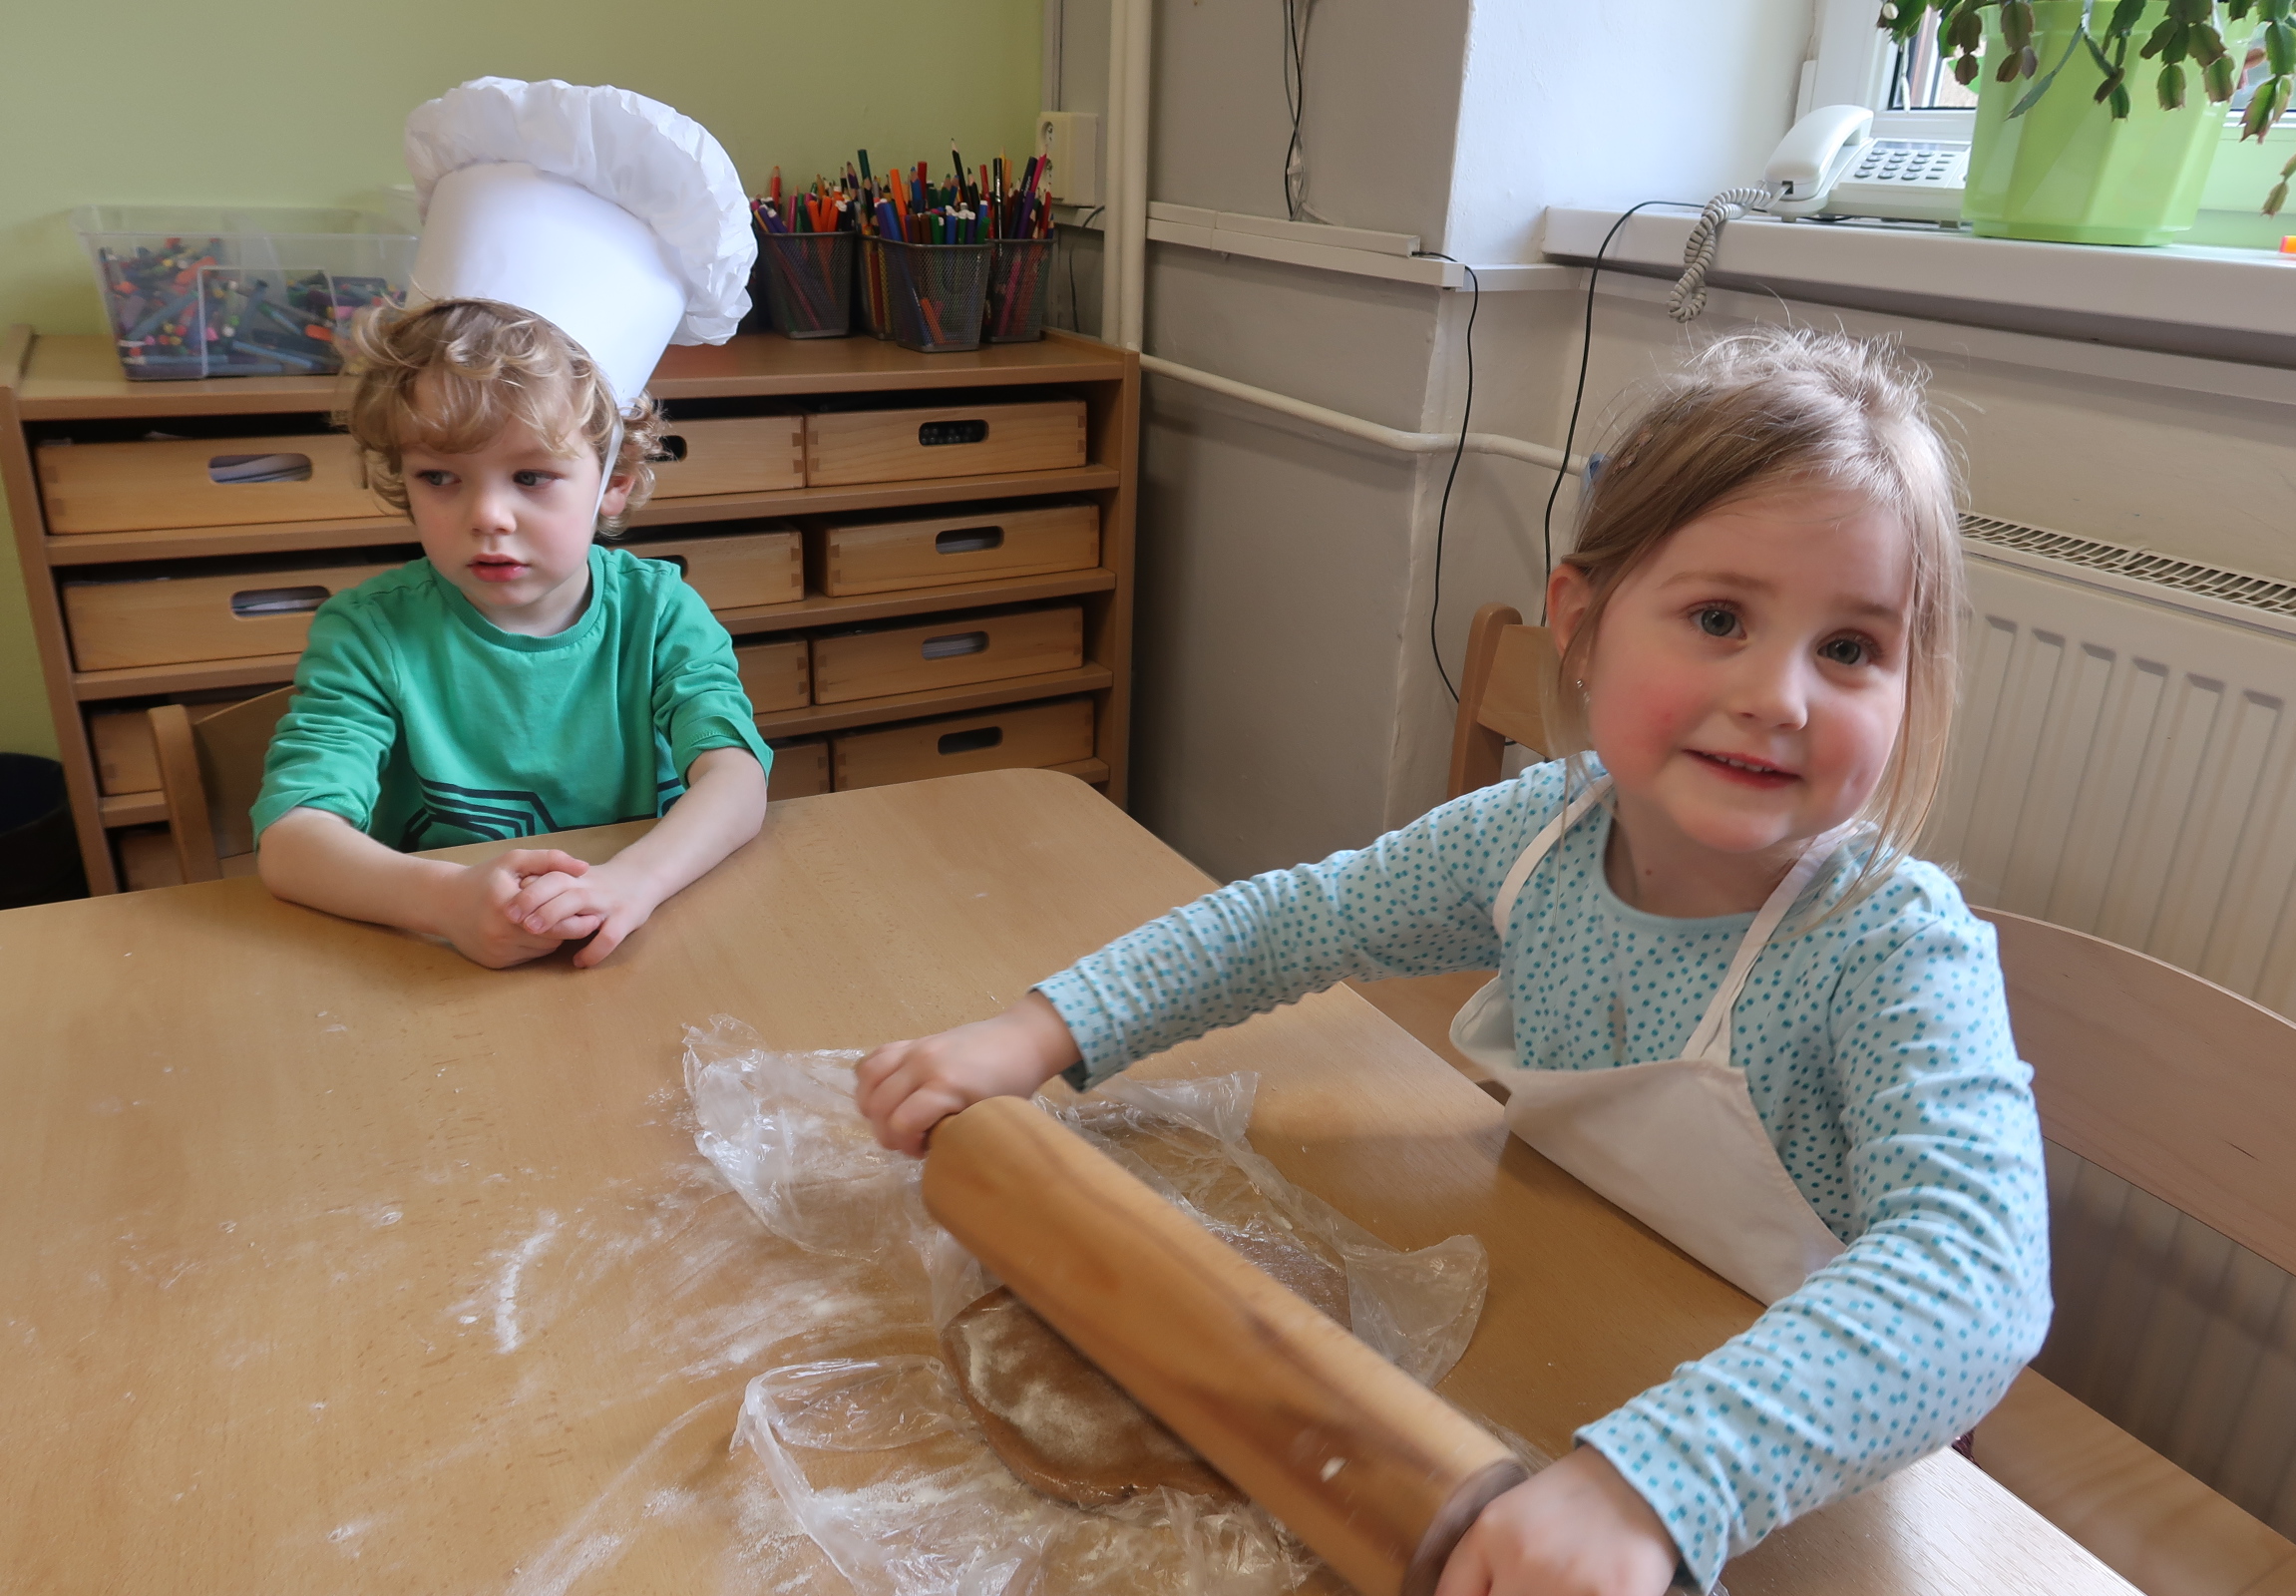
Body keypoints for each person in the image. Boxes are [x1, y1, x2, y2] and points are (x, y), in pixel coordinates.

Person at [854, 326, 2052, 1596]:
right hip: (1567, 1346)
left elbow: (1976, 1279)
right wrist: (1043, 1028)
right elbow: (1294, 921)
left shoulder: (1892, 947)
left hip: (1781, 1464)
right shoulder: (1540, 835)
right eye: (1719, 618)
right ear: (1582, 624)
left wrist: (1658, 1480)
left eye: (1851, 648)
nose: (1781, 697)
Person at [253, 78, 769, 969]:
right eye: (440, 477)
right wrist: (446, 900)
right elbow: (294, 838)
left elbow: (736, 779)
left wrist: (633, 883)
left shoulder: (659, 615)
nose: (487, 517)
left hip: (634, 951)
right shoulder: (369, 636)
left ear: (615, 483)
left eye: (532, 476)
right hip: (437, 963)